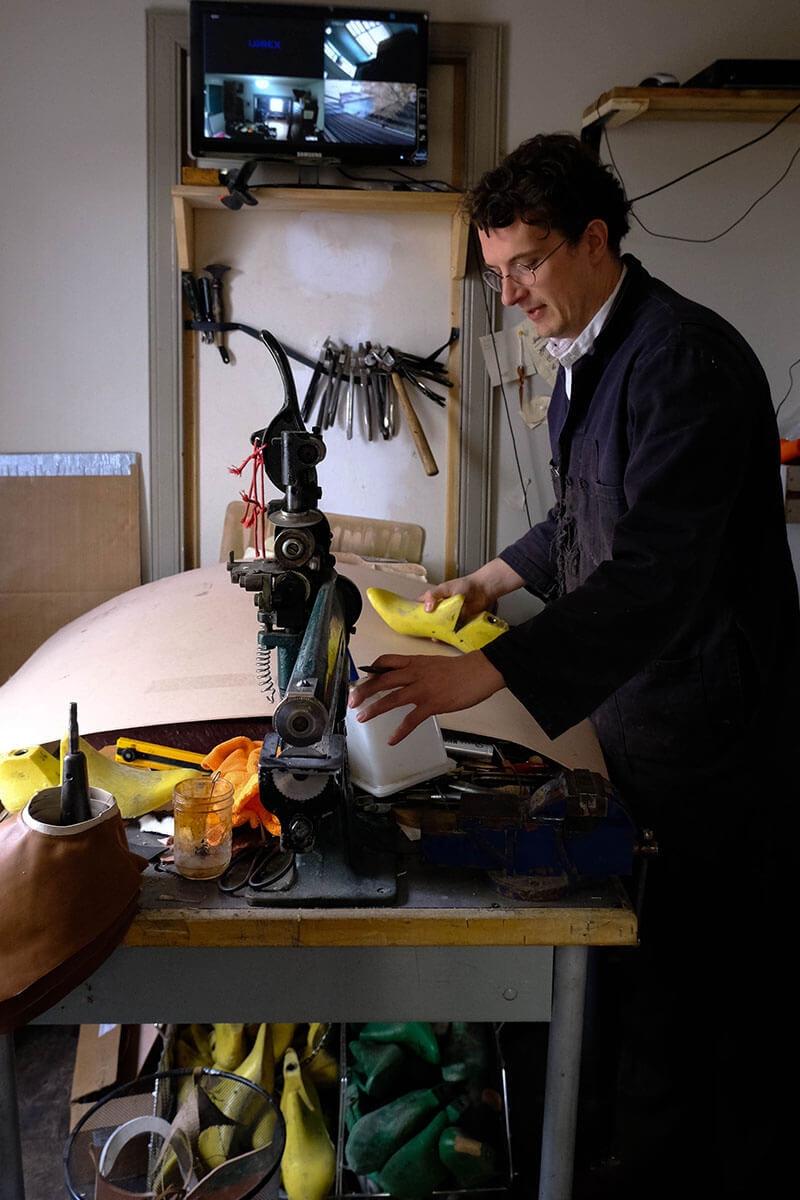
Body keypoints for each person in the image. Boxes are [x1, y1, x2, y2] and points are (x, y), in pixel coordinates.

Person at [349, 133, 800, 1197]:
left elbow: (649, 570)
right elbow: (575, 520)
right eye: (496, 270)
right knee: (638, 957)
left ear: (594, 241)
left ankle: (671, 1166)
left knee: (698, 983)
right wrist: (481, 585)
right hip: (640, 706)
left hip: (713, 725)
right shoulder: (589, 360)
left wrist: (491, 670)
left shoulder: (678, 360)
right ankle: (606, 1136)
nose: (509, 294)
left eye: (527, 264)